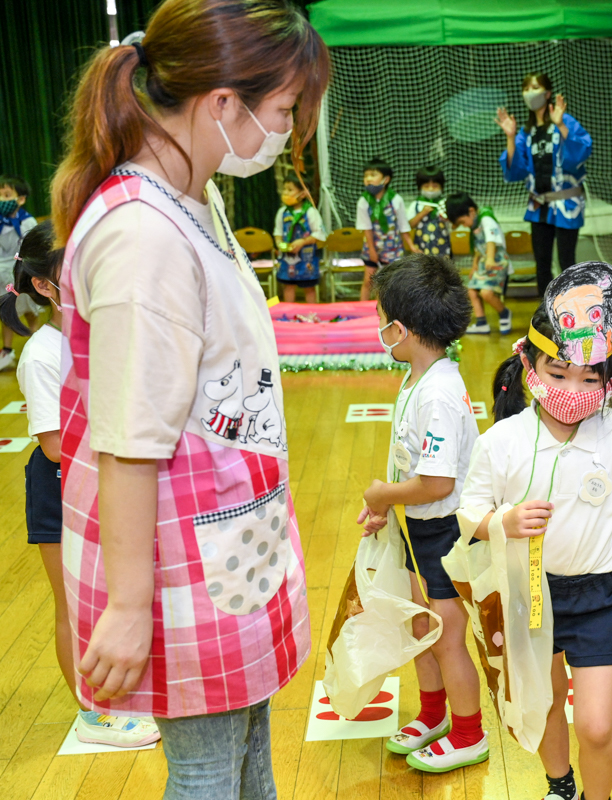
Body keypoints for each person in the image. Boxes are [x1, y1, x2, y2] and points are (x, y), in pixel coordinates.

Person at [50, 2, 329, 796]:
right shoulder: (143, 234)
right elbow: (129, 438)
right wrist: (129, 606)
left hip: (227, 537)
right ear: (223, 104)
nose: (285, 132)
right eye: (284, 111)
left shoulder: (193, 199)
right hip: (176, 557)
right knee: (208, 772)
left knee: (247, 754)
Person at [457, 262, 612, 800]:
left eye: (590, 379)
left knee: (597, 724)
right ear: (529, 364)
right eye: (559, 373)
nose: (573, 389)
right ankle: (560, 784)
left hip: (599, 594)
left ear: (607, 381)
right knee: (544, 702)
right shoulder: (502, 441)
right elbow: (469, 514)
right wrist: (503, 522)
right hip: (530, 592)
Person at [2, 222, 161, 749]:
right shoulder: (42, 352)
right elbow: (54, 445)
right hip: (62, 485)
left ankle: (127, 695)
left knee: (121, 593)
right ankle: (94, 713)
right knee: (73, 604)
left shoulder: (107, 332)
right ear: (43, 285)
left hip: (113, 481)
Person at [355, 254, 488, 772]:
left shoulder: (437, 394)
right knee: (422, 629)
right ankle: (433, 715)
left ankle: (469, 734)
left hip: (445, 532)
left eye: (381, 318)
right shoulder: (420, 376)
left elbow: (438, 482)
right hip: (420, 526)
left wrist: (383, 495)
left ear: (402, 329)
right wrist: (387, 505)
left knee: (446, 638)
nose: (379, 328)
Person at [495, 72, 593, 296]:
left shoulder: (565, 120)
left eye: (535, 87)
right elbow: (516, 170)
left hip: (566, 203)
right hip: (538, 205)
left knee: (567, 261)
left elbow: (580, 153)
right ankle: (544, 309)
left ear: (548, 93)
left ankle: (570, 308)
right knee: (542, 262)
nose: (530, 93)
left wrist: (561, 125)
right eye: (526, 88)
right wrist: (510, 137)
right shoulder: (526, 132)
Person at [446, 192, 512, 335]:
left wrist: (490, 258)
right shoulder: (474, 224)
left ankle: (504, 313)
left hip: (496, 261)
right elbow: (478, 247)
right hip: (483, 261)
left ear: (471, 211)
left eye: (462, 222)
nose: (464, 226)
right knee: (472, 291)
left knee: (486, 293)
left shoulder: (486, 218)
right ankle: (481, 323)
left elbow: (491, 240)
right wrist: (474, 265)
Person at [356, 156, 414, 300]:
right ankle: (362, 310)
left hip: (393, 249)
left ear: (386, 179)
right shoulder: (363, 201)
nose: (368, 179)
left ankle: (387, 310)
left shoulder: (396, 199)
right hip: (372, 247)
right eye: (366, 175)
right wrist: (372, 250)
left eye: (373, 175)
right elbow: (366, 228)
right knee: (368, 281)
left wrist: (412, 246)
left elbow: (403, 226)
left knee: (390, 284)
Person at [0, 175, 38, 370]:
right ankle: (6, 350)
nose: (2, 200)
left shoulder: (28, 222)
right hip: (2, 274)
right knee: (6, 312)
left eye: (7, 195)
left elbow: (34, 248)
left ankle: (37, 344)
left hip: (23, 273)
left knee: (30, 309)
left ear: (21, 199)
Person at [273, 171, 325, 303]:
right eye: (284, 189)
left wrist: (302, 242)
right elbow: (278, 232)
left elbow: (319, 234)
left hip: (307, 259)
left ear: (303, 193)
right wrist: (280, 244)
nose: (285, 192)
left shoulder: (311, 212)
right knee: (288, 287)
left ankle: (312, 313)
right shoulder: (282, 212)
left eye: (290, 190)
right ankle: (288, 314)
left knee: (309, 288)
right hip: (286, 258)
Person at [408, 165, 451, 261]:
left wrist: (446, 218)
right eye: (426, 186)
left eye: (435, 186)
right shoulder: (416, 204)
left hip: (442, 249)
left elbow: (453, 225)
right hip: (421, 248)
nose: (430, 189)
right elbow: (410, 225)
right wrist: (422, 214)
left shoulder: (445, 203)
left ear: (441, 187)